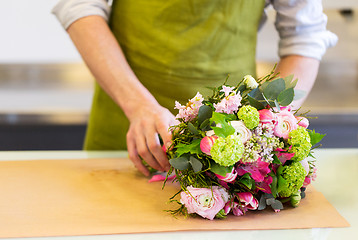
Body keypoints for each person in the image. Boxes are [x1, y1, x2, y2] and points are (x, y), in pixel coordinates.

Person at [52, 0, 337, 176]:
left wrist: (266, 125)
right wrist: (138, 105)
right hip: (126, 124)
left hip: (231, 141)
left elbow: (305, 36)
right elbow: (78, 4)